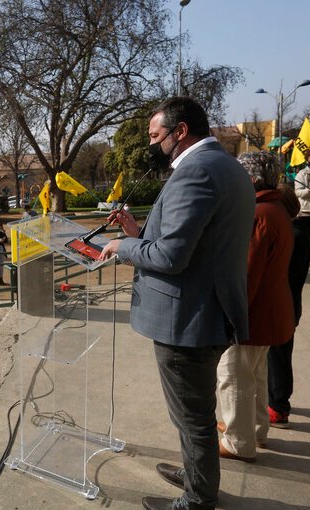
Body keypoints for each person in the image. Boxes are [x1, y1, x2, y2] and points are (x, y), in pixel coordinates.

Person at [99, 97, 254, 510]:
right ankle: (196, 473)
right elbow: (195, 241)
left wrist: (124, 245)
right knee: (194, 413)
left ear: (179, 131)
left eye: (155, 135)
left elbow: (171, 257)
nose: (153, 143)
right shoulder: (225, 166)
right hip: (204, 311)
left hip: (188, 320)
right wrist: (139, 230)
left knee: (192, 417)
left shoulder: (196, 172)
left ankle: (197, 499)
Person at [216, 152, 295, 463]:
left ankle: (238, 441)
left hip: (251, 316)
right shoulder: (274, 208)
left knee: (233, 376)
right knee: (255, 376)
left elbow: (245, 274)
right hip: (268, 313)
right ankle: (255, 430)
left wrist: (228, 317)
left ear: (249, 180)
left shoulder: (257, 213)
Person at [268, 185, 310, 430]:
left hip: (282, 305)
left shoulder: (293, 235)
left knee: (278, 357)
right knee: (277, 356)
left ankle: (278, 406)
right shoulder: (298, 231)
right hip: (289, 304)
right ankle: (276, 400)